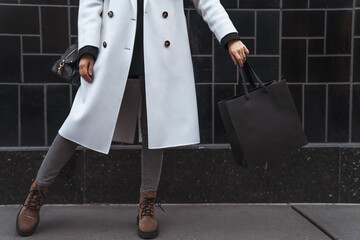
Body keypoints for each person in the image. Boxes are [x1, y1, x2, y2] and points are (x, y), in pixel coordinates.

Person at [15, 0, 249, 239]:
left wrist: (229, 37)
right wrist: (87, 48)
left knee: (155, 127)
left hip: (160, 49)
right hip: (112, 48)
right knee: (78, 122)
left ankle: (147, 202)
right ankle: (38, 192)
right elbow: (90, 3)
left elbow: (206, 1)